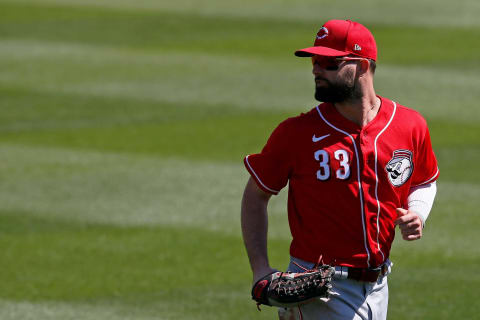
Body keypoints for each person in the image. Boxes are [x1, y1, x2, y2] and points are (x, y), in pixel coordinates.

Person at [240, 19, 439, 320]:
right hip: (320, 291)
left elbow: (423, 180)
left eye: (328, 62)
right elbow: (256, 195)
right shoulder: (297, 133)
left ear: (361, 65)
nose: (316, 69)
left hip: (379, 285)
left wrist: (417, 213)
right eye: (315, 61)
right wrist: (260, 268)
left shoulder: (409, 125)